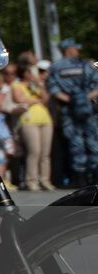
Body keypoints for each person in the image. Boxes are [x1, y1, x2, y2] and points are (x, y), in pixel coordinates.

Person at [47, 38, 98, 186]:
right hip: (89, 109)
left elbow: (54, 90)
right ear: (69, 49)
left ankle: (79, 178)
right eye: (76, 48)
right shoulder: (88, 65)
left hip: (68, 109)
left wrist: (70, 100)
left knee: (75, 144)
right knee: (94, 142)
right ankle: (93, 176)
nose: (78, 50)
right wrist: (84, 98)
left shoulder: (55, 67)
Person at [13, 58, 55, 191]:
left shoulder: (36, 86)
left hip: (45, 119)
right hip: (29, 120)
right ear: (24, 72)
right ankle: (31, 180)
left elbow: (46, 99)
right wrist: (36, 100)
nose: (32, 74)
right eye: (30, 71)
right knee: (34, 151)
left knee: (45, 153)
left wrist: (40, 85)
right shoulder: (17, 85)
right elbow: (20, 99)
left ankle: (45, 179)